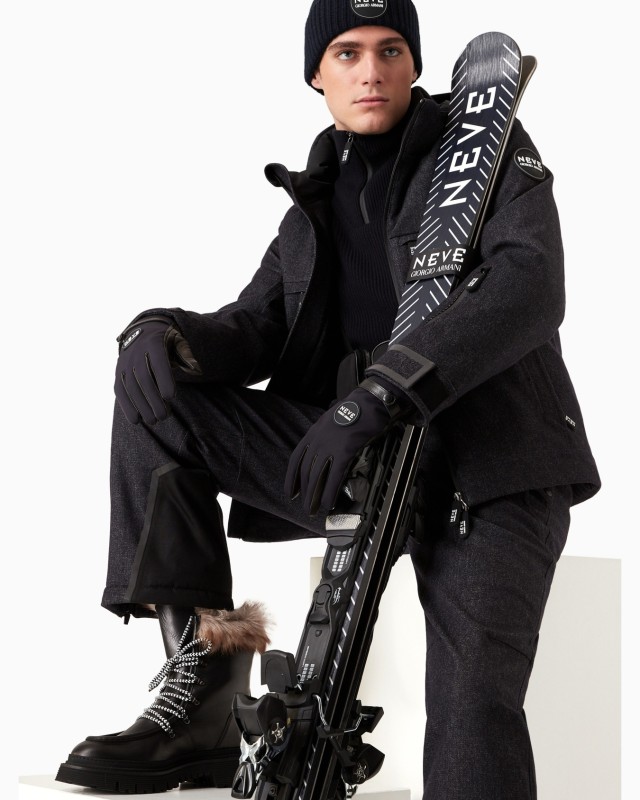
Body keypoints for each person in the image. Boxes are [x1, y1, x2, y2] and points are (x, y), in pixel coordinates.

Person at [56, 1, 601, 798]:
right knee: (155, 399)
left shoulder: (483, 154)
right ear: (316, 73)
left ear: (416, 65)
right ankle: (204, 694)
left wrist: (382, 391)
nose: (371, 71)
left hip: (488, 472)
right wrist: (164, 332)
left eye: (390, 50)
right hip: (360, 464)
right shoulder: (312, 208)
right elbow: (254, 328)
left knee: (471, 713)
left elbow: (529, 285)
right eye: (347, 53)